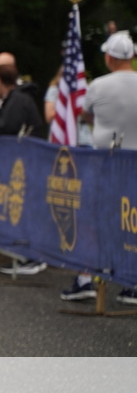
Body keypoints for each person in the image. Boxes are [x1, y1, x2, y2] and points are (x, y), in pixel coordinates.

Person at [62, 31, 137, 305]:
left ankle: (86, 278)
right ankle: (132, 282)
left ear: (109, 58)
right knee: (131, 222)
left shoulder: (99, 85)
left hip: (105, 163)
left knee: (93, 220)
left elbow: (86, 114)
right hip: (133, 164)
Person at [0, 61, 47, 275]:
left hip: (28, 161)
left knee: (27, 207)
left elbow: (5, 128)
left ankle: (33, 257)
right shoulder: (16, 98)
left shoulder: (18, 99)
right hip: (23, 161)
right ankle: (26, 254)